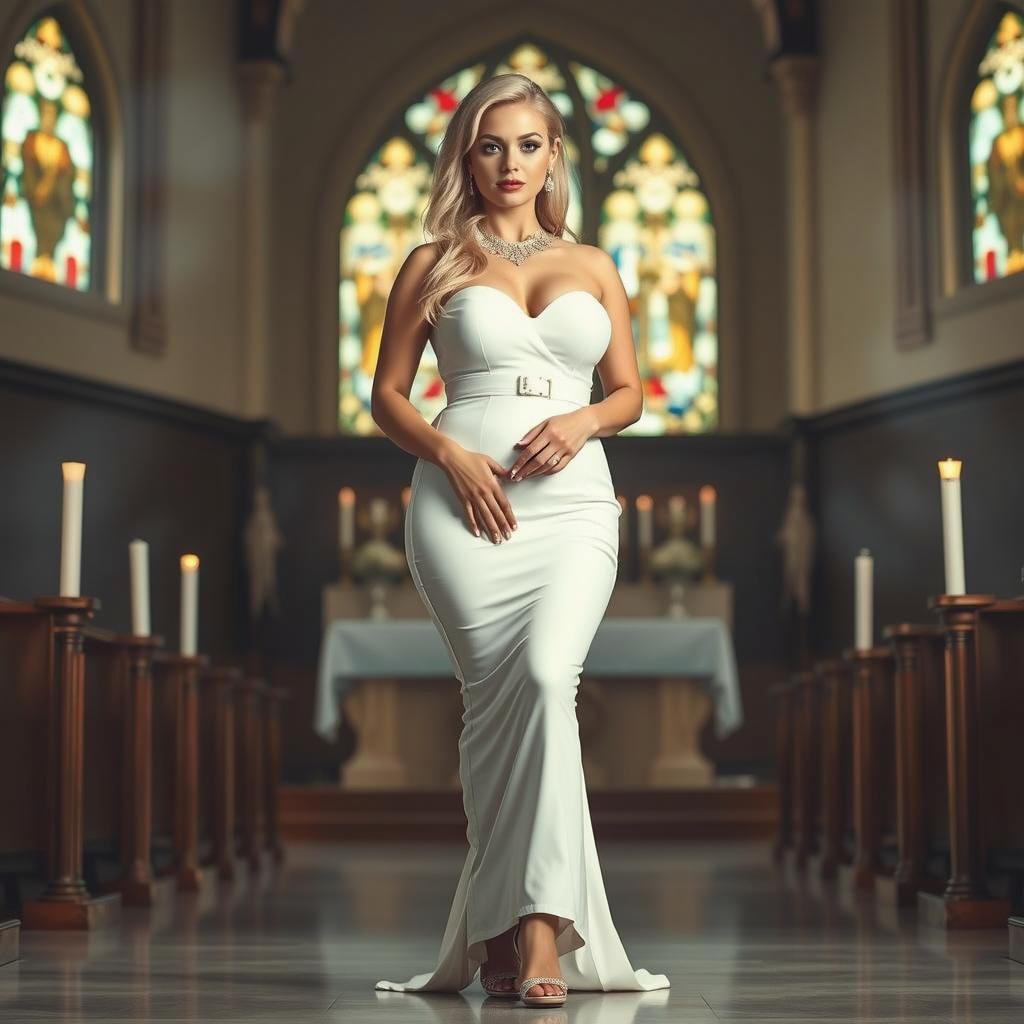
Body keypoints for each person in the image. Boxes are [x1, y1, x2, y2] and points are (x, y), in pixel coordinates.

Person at [369, 72, 670, 1008]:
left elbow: (626, 390)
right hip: (460, 511)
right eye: (492, 145)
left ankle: (536, 934)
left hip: (574, 506)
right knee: (497, 712)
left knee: (544, 683)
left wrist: (581, 426)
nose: (510, 164)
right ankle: (513, 937)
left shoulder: (595, 265)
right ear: (467, 153)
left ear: (553, 157)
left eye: (529, 145)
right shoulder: (432, 263)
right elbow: (383, 396)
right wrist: (452, 455)